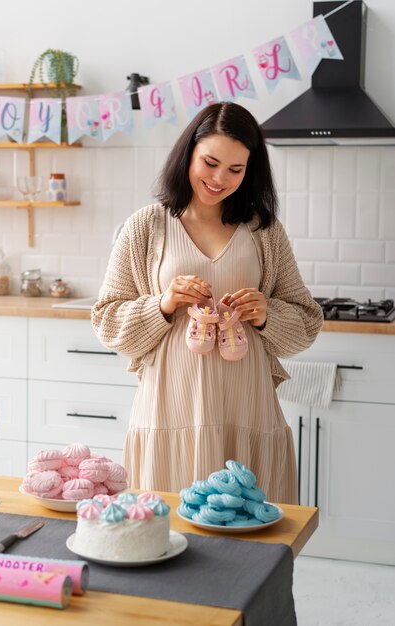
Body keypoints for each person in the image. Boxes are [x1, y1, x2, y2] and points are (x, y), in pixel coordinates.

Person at [91, 102, 323, 504]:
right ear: (188, 155)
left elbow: (307, 320)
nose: (219, 179)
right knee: (166, 535)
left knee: (250, 545)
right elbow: (107, 320)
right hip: (169, 412)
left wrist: (266, 315)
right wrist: (162, 305)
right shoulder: (146, 225)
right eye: (210, 163)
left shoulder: (263, 230)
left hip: (246, 411)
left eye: (236, 169)